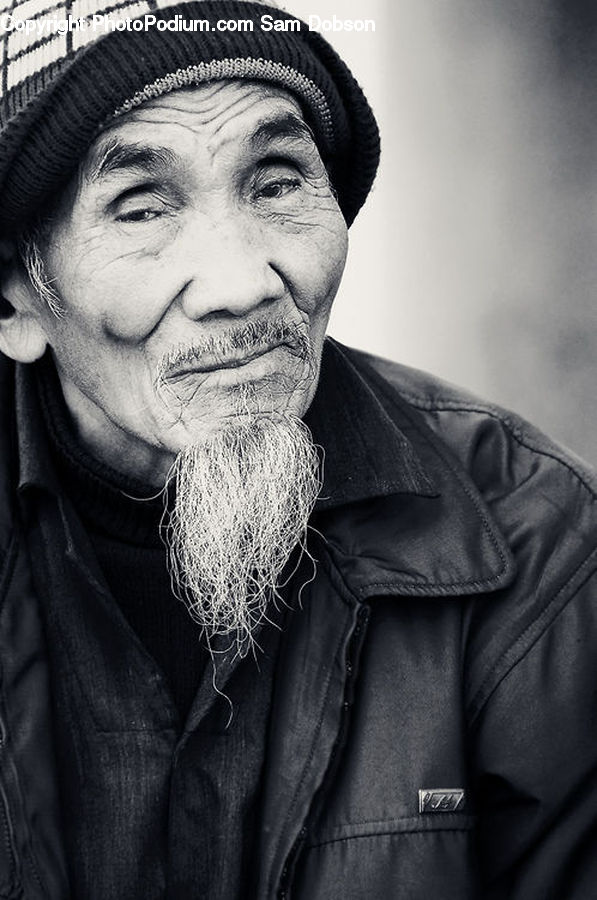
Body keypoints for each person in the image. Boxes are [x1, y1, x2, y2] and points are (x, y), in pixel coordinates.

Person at [0, 0, 596, 897]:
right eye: (140, 206)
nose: (244, 284)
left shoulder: (532, 534)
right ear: (16, 301)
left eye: (277, 181)